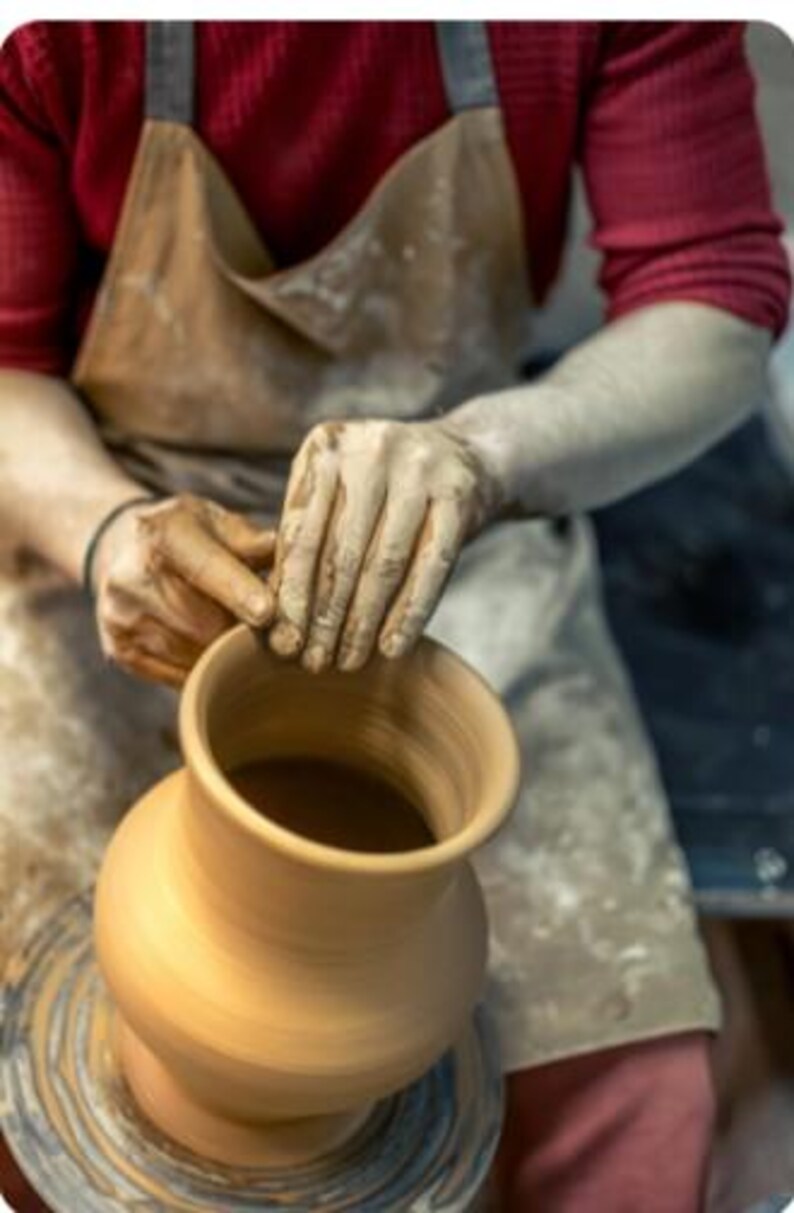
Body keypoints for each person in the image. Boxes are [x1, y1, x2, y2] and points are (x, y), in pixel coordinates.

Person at [0, 20, 789, 1211]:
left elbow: (714, 298)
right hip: (117, 514)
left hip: (464, 517)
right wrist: (105, 529)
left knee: (632, 1105)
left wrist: (487, 454)